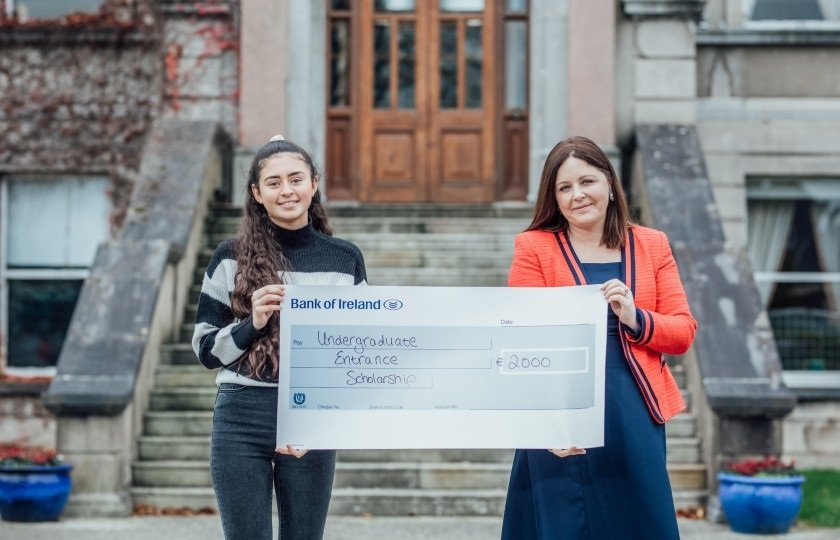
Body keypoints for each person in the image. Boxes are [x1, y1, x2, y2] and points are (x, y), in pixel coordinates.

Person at [502, 136, 697, 539]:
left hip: (634, 412)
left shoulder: (651, 244)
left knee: (640, 523)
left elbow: (682, 332)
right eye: (564, 188)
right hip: (562, 415)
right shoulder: (534, 248)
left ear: (610, 183)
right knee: (563, 524)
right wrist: (545, 425)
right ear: (553, 199)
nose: (577, 195)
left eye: (586, 181)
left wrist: (635, 317)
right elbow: (520, 343)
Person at [192, 136, 367, 540]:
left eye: (295, 179)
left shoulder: (345, 259)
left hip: (310, 418)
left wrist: (323, 422)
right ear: (256, 193)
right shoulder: (228, 256)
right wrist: (250, 322)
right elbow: (205, 350)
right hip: (241, 415)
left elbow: (357, 353)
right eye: (273, 183)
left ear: (314, 183)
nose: (286, 190)